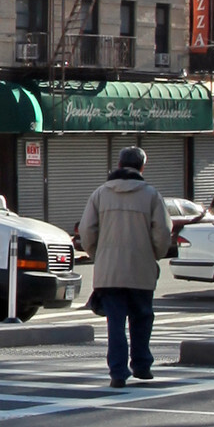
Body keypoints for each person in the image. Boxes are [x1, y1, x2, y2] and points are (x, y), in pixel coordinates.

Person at [78, 145, 173, 388]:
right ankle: (142, 365)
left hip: (109, 272)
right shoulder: (151, 195)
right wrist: (155, 254)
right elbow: (163, 232)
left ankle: (118, 372)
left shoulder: (100, 194)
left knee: (115, 324)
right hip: (141, 268)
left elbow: (87, 231)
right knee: (142, 318)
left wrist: (98, 254)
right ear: (142, 167)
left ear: (118, 165)